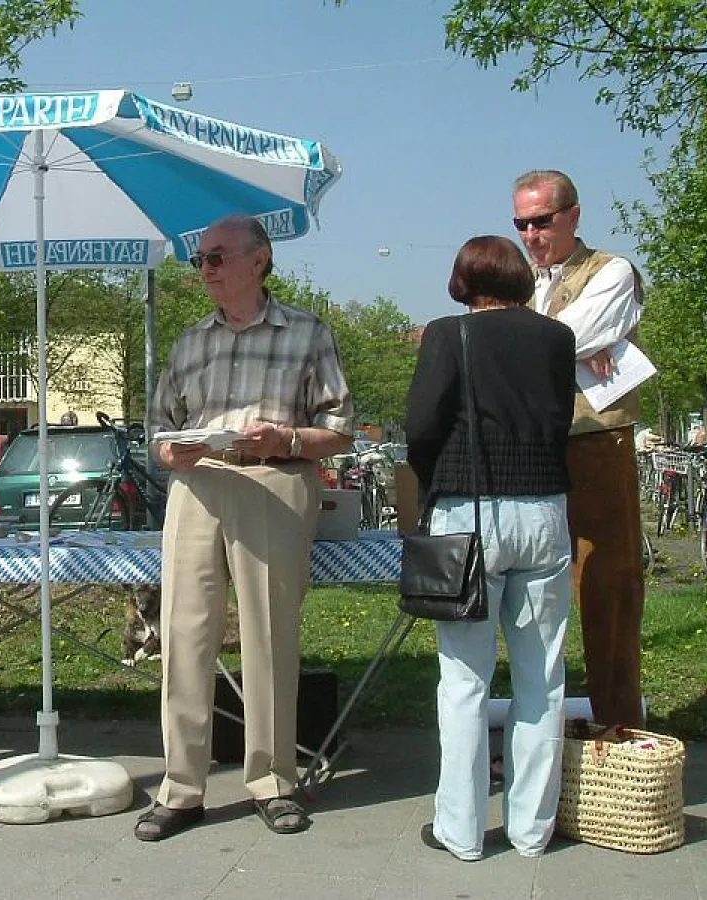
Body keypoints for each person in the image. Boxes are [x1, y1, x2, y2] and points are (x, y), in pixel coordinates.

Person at [134, 215, 355, 842]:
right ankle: (181, 787)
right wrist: (167, 452)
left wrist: (283, 437)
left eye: (216, 258)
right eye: (200, 259)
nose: (205, 269)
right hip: (199, 483)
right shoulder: (189, 342)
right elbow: (158, 427)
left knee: (269, 635)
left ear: (259, 260)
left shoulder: (308, 333)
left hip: (275, 480)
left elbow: (341, 429)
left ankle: (273, 781)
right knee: (183, 634)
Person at [405, 235, 576, 860]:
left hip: (470, 508)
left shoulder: (450, 334)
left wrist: (434, 479)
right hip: (545, 508)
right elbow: (560, 419)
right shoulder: (558, 339)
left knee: (465, 680)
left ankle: (463, 830)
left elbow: (421, 424)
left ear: (463, 280)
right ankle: (533, 831)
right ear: (520, 279)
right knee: (543, 679)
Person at [513, 169, 647, 729]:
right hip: (533, 445)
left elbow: (556, 339)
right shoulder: (522, 283)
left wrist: (553, 344)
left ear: (573, 216)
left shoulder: (613, 270)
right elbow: (554, 342)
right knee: (530, 588)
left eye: (541, 221)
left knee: (606, 583)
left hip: (596, 442)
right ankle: (540, 731)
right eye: (521, 223)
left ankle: (617, 726)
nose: (530, 234)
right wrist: (565, 346)